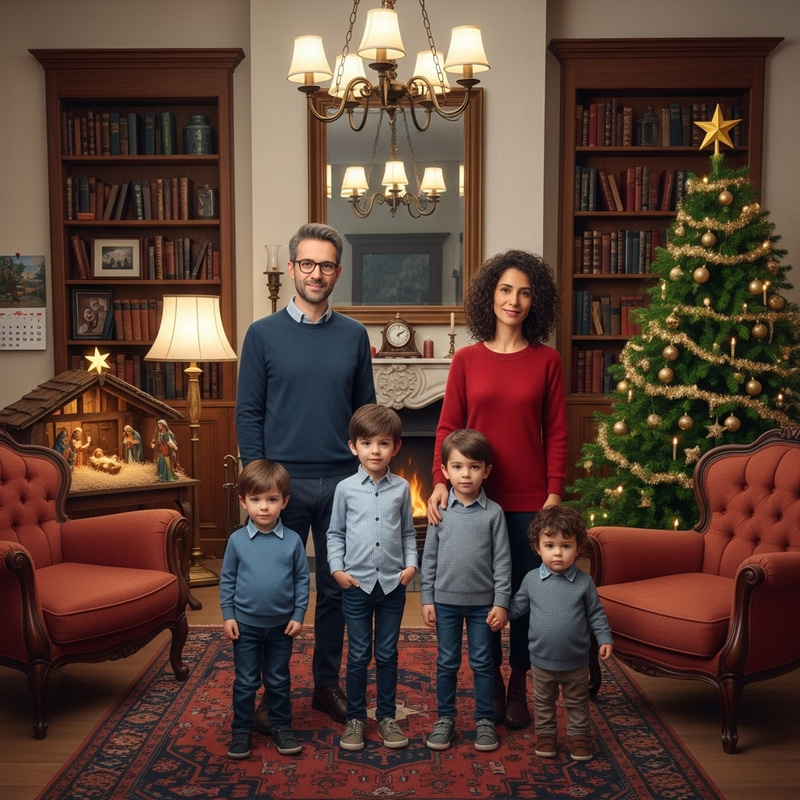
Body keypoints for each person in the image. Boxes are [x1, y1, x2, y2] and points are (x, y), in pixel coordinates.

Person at [236, 223, 376, 730]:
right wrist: (258, 483)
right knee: (271, 589)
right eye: (308, 264)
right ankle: (268, 691)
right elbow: (248, 413)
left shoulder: (354, 336)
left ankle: (324, 686)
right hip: (280, 486)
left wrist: (367, 479)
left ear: (338, 271)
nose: (317, 274)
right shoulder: (262, 334)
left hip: (343, 485)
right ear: (293, 268)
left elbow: (366, 415)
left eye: (327, 265)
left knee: (337, 591)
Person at [426, 249, 568, 729]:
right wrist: (440, 481)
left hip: (530, 502)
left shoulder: (547, 361)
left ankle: (518, 685)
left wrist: (553, 494)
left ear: (535, 301)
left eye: (525, 292)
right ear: (490, 295)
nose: (514, 300)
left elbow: (557, 432)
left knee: (525, 601)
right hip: (472, 502)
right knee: (480, 597)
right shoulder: (466, 359)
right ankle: (491, 686)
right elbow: (447, 427)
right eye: (506, 289)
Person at [326, 404, 418, 751]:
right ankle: (355, 718)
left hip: (393, 585)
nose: (375, 451)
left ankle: (387, 716)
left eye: (383, 443)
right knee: (359, 653)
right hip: (357, 585)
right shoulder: (345, 489)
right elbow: (335, 533)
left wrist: (411, 566)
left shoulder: (402, 488)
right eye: (366, 443)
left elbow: (407, 532)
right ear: (354, 446)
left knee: (387, 653)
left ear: (396, 447)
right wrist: (337, 569)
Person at [421, 429, 511, 753]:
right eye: (458, 467)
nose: (466, 474)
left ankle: (484, 720)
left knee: (483, 663)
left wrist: (501, 603)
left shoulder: (494, 513)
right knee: (446, 662)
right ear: (445, 471)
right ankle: (445, 718)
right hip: (444, 603)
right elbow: (429, 557)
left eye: (474, 467)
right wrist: (426, 598)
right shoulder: (439, 509)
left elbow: (502, 562)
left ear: (486, 470)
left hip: (482, 606)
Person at [499, 506, 613, 761]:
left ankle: (579, 736)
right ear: (537, 548)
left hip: (576, 661)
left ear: (578, 548)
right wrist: (502, 612)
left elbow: (596, 614)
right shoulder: (531, 580)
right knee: (543, 702)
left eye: (566, 546)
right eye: (550, 546)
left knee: (577, 702)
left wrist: (605, 638)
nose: (558, 553)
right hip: (541, 660)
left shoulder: (584, 583)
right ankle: (547, 735)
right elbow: (518, 607)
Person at [220, 459, 310, 760]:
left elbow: (302, 580)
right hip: (245, 626)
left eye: (271, 499)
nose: (263, 507)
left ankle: (281, 726)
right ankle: (241, 731)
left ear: (284, 501)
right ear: (243, 501)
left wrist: (298, 615)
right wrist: (228, 615)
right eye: (256, 499)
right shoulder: (236, 541)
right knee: (246, 681)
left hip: (282, 628)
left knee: (278, 680)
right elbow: (227, 580)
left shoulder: (293, 541)